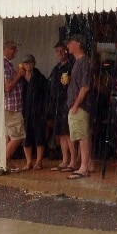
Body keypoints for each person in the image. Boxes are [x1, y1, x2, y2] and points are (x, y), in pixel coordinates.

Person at [0, 40, 26, 170]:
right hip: (10, 106)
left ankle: (6, 162)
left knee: (7, 136)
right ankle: (2, 160)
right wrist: (19, 74)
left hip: (5, 106)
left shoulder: (3, 64)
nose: (15, 52)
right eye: (13, 49)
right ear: (5, 49)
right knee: (18, 135)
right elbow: (7, 87)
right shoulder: (2, 65)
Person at [65, 34, 94, 179]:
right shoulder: (77, 62)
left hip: (81, 106)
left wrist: (76, 104)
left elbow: (85, 86)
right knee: (80, 135)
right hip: (76, 104)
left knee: (82, 136)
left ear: (78, 44)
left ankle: (83, 167)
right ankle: (88, 163)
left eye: (70, 43)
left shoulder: (84, 62)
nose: (68, 46)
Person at [47, 41, 75, 171]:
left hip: (67, 102)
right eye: (56, 51)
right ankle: (64, 160)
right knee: (61, 134)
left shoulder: (71, 66)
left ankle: (73, 161)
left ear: (66, 51)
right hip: (57, 103)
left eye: (61, 51)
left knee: (68, 133)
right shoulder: (56, 68)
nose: (58, 53)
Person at [19, 54, 49, 170]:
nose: (28, 65)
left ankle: (39, 161)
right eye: (25, 63)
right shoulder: (20, 78)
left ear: (34, 63)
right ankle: (28, 162)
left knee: (39, 136)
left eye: (30, 62)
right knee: (26, 138)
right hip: (24, 112)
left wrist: (44, 111)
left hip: (38, 112)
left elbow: (45, 95)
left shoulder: (40, 78)